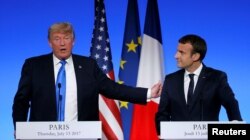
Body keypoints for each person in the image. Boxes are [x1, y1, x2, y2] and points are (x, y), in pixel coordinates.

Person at [12, 22, 162, 131]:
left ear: (74, 41)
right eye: (57, 39)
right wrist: (20, 129)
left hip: (81, 134)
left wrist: (148, 93)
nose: (62, 43)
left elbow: (112, 89)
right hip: (42, 135)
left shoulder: (88, 65)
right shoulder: (34, 65)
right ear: (50, 42)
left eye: (67, 38)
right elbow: (21, 101)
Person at [155, 34, 242, 135]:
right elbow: (162, 113)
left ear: (195, 56)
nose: (176, 56)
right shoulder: (170, 80)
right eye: (177, 51)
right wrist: (163, 133)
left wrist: (237, 129)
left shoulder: (216, 77)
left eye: (181, 52)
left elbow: (231, 104)